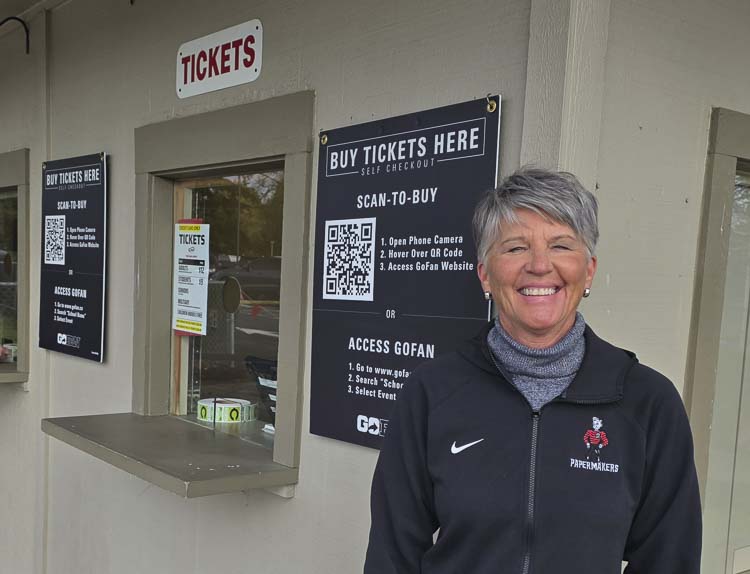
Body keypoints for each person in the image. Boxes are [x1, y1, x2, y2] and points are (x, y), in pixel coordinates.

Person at [364, 167, 702, 573]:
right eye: (515, 248)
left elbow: (668, 558)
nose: (540, 266)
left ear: (589, 270)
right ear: (485, 274)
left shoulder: (648, 402)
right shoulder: (431, 393)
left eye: (561, 246)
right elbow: (393, 552)